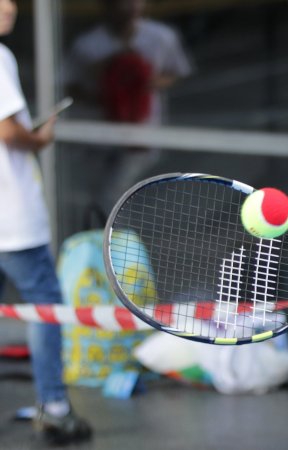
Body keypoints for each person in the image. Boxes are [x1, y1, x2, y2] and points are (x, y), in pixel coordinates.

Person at [0, 0, 92, 444]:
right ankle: (55, 406)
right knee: (43, 305)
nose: (9, 6)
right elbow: (8, 131)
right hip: (10, 216)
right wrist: (40, 137)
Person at [64, 0, 191, 211]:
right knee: (96, 194)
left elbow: (177, 71)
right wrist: (106, 88)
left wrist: (145, 82)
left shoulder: (161, 36)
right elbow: (70, 85)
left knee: (114, 195)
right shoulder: (88, 44)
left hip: (142, 132)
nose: (127, 7)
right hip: (99, 135)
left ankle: (116, 238)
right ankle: (101, 236)